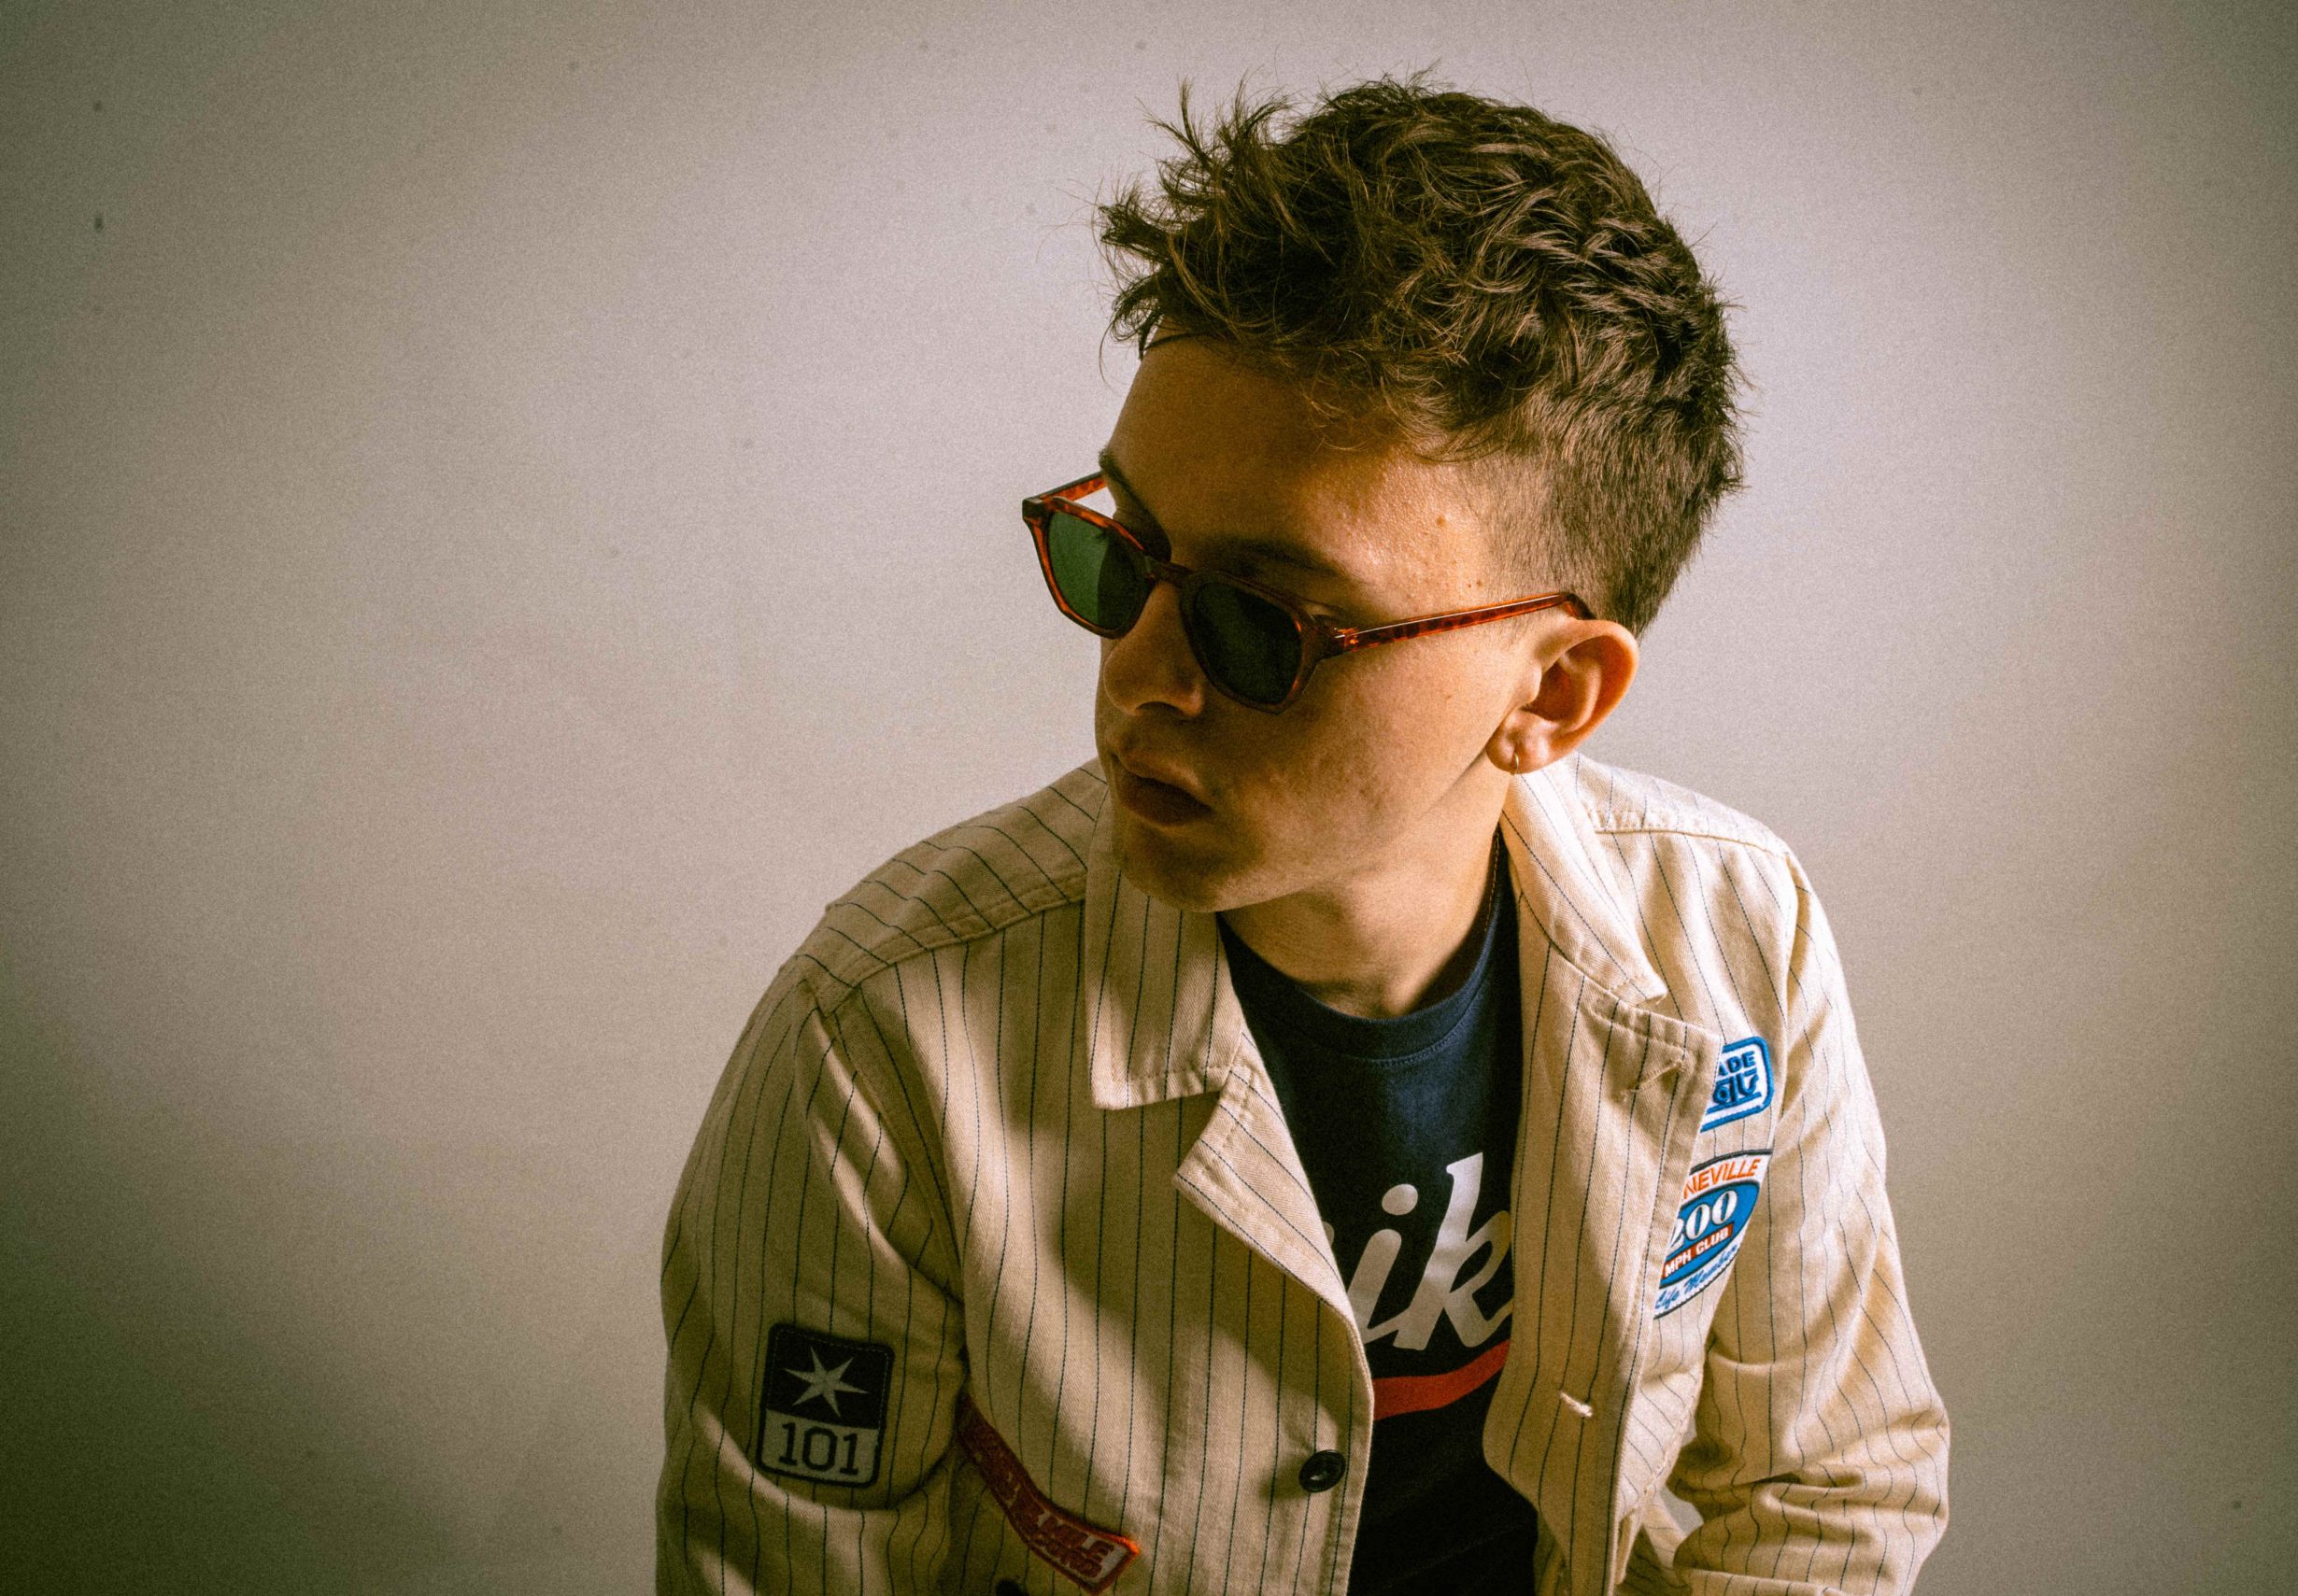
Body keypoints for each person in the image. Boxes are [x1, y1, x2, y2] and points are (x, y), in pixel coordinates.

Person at [657, 74, 1950, 1596]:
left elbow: (1822, 1487)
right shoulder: (881, 1043)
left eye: (1263, 618)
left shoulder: (1737, 938)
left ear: (1552, 694)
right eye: (1121, 552)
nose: (1140, 673)